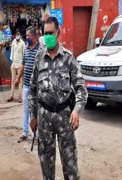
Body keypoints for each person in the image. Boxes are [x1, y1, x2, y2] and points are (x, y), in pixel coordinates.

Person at [28, 16, 88, 179]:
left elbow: (81, 88)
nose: (47, 36)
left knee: (70, 166)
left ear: (58, 33)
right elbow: (32, 90)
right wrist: (33, 116)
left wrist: (76, 110)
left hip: (64, 118)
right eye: (45, 33)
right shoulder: (39, 58)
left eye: (50, 33)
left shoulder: (68, 58)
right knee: (46, 165)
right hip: (44, 118)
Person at [15, 26, 42, 143]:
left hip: (36, 88)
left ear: (34, 36)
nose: (26, 38)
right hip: (26, 86)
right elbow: (23, 64)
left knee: (36, 111)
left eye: (28, 36)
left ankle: (36, 134)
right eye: (26, 36)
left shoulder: (41, 50)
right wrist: (17, 78)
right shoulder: (26, 49)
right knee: (26, 109)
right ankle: (25, 133)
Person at [7, 30, 25, 103]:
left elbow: (24, 54)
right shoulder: (13, 42)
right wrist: (12, 61)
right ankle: (11, 95)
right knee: (13, 80)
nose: (17, 36)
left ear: (20, 36)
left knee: (20, 81)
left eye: (18, 34)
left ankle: (20, 97)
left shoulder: (22, 43)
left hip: (20, 64)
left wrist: (23, 64)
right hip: (14, 63)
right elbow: (12, 52)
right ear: (15, 35)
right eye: (16, 34)